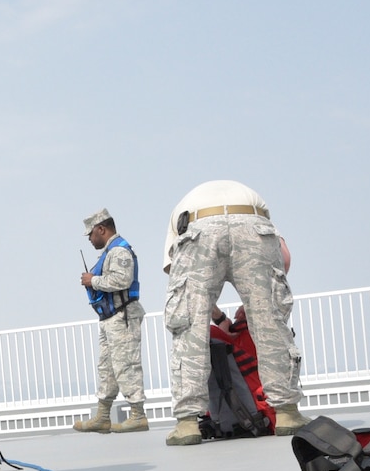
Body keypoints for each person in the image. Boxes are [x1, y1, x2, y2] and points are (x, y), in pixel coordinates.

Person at [160, 180, 309, 446]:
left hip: (198, 226)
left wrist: (216, 317)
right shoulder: (254, 201)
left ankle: (187, 423)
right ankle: (286, 413)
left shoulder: (178, 217)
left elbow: (181, 284)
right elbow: (283, 258)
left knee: (189, 328)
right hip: (253, 222)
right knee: (271, 322)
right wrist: (261, 304)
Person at [71, 208, 148, 434]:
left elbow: (122, 279)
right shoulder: (110, 252)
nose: (90, 239)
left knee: (126, 364)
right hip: (109, 319)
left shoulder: (119, 251)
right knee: (107, 367)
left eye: (91, 234)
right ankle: (102, 416)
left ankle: (138, 415)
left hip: (122, 317)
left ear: (101, 229)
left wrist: (92, 280)